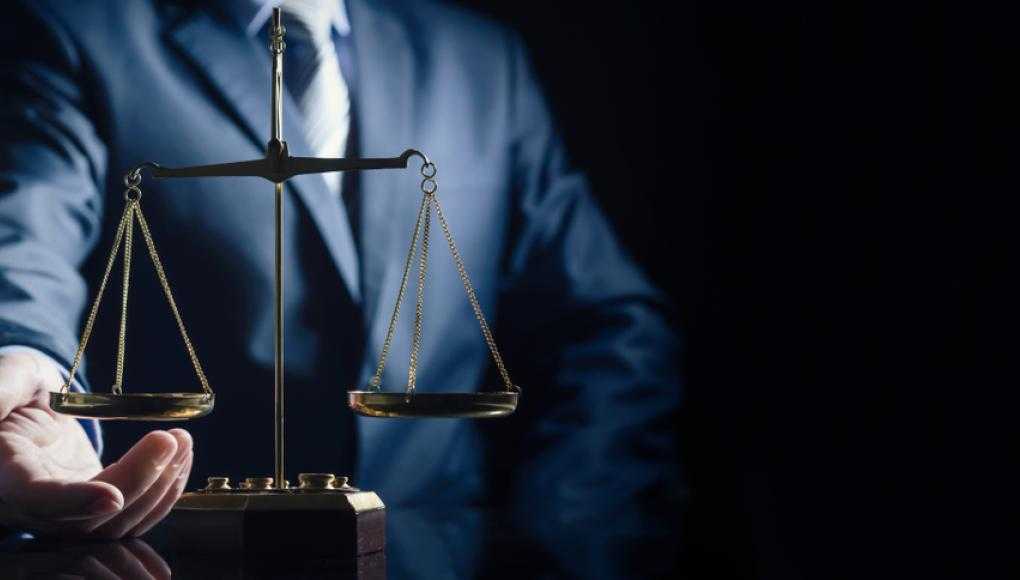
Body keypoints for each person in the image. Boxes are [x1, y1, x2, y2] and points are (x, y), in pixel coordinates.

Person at [0, 0, 679, 538]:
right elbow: (25, 236)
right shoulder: (73, 28)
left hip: (442, 556)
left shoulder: (478, 58)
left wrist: (565, 538)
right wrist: (28, 366)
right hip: (185, 547)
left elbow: (607, 324)